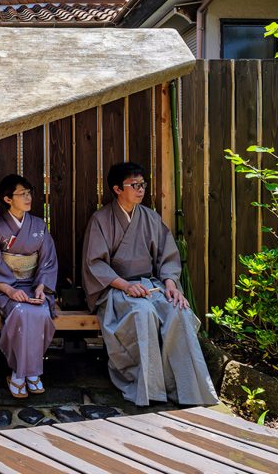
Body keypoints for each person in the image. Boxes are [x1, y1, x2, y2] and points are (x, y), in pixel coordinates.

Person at [82, 162, 219, 406]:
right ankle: (149, 388)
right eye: (134, 185)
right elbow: (96, 264)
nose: (140, 189)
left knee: (179, 311)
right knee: (142, 312)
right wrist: (125, 286)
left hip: (150, 285)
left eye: (142, 184)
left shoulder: (150, 217)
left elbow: (167, 256)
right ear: (116, 189)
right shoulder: (101, 220)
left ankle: (184, 388)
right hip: (116, 289)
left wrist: (170, 285)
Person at [0, 174, 59, 398]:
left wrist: (42, 286)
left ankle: (30, 372)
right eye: (21, 194)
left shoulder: (39, 226)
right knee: (21, 312)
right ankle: (19, 373)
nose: (27, 197)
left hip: (33, 285)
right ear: (7, 199)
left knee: (41, 311)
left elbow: (48, 261)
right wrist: (11, 291)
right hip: (6, 289)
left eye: (29, 193)